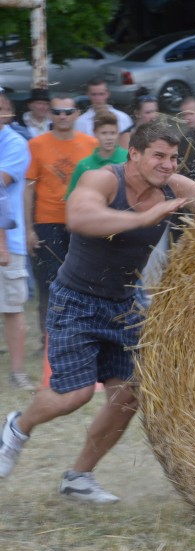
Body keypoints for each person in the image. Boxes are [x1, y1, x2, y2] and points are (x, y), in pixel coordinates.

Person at [0, 121, 195, 499]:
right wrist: (142, 218)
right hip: (76, 301)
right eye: (159, 155)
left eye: (173, 158)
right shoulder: (104, 179)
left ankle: (78, 477)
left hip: (124, 304)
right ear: (134, 153)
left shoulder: (173, 186)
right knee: (74, 395)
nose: (168, 165)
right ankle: (17, 427)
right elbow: (79, 217)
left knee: (129, 397)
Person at [25, 97, 98, 342]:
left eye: (68, 111)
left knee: (84, 281)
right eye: (57, 111)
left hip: (81, 221)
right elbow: (28, 189)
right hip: (47, 222)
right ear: (50, 114)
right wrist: (28, 230)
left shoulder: (91, 144)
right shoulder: (36, 144)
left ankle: (81, 335)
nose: (63, 116)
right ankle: (47, 341)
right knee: (48, 282)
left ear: (77, 113)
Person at [0, 93, 36, 390]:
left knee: (12, 308)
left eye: (1, 108)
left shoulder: (15, 144)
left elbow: (1, 180)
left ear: (10, 112)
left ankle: (18, 372)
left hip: (8, 240)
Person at [66, 111, 130, 195]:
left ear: (118, 133)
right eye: (104, 133)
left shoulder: (129, 159)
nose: (109, 138)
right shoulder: (83, 165)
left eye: (113, 133)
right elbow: (72, 198)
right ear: (95, 133)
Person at [74, 77, 133, 148]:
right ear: (88, 95)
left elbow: (127, 147)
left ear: (107, 94)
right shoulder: (80, 122)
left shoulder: (123, 118)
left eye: (101, 94)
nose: (98, 98)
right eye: (94, 94)